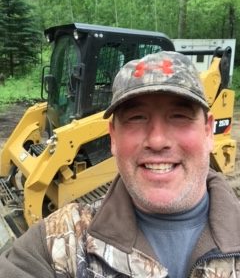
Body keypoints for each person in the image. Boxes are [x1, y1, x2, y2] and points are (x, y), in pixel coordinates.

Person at [0, 51, 240, 278]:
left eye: (179, 116)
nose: (157, 140)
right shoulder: (57, 243)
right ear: (113, 136)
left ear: (208, 131)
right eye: (137, 118)